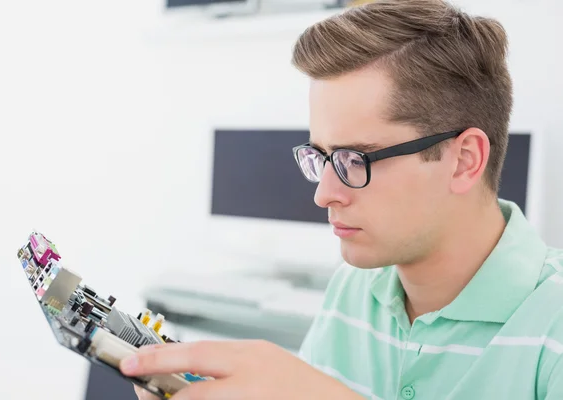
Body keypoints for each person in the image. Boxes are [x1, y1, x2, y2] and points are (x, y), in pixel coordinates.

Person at [120, 0, 563, 398]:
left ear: (465, 160)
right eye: (322, 157)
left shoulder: (553, 327)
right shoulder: (356, 288)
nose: (323, 194)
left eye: (356, 159)